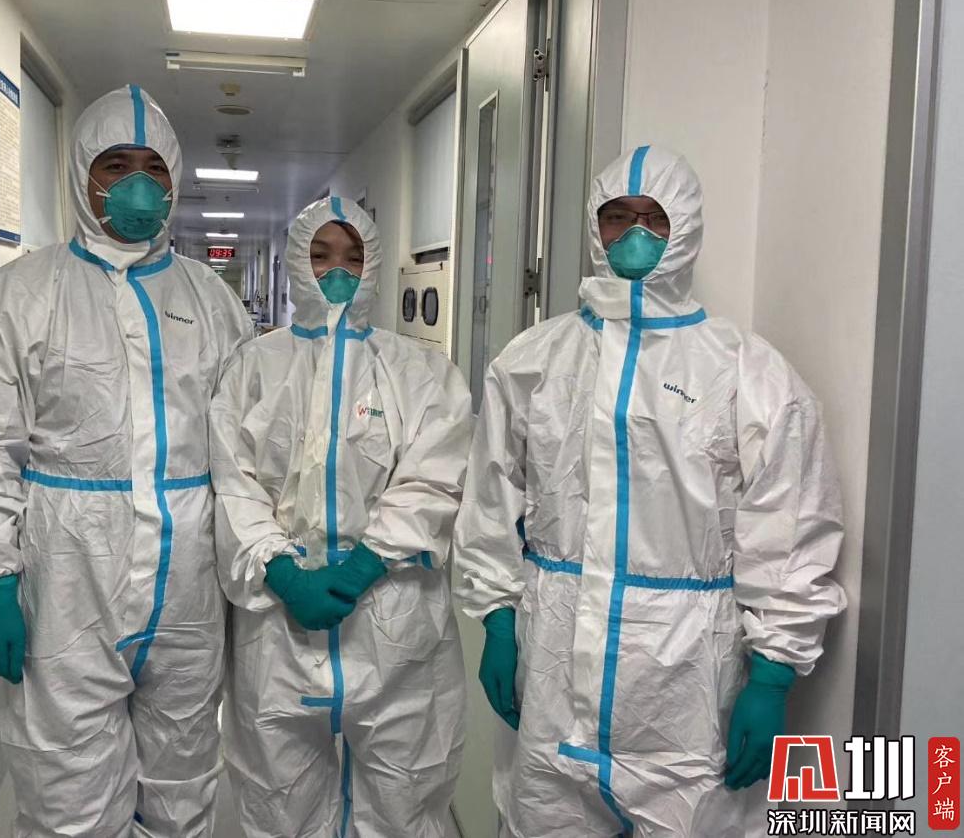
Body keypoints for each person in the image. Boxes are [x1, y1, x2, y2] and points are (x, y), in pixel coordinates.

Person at [454, 145, 846, 837]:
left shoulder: (745, 370)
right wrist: (497, 620)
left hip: (685, 699)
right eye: (618, 217)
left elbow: (790, 526)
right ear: (594, 226)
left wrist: (773, 673)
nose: (634, 234)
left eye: (653, 218)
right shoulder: (533, 361)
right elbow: (490, 499)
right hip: (552, 684)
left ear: (685, 227)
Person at [0, 85, 251, 838]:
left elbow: (248, 444)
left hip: (189, 585)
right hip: (68, 581)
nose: (137, 185)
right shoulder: (25, 292)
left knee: (183, 783)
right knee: (65, 793)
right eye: (116, 165)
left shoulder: (211, 299)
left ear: (174, 180)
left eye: (153, 168)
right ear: (84, 174)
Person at [210, 197, 472, 838]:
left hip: (392, 620)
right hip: (280, 624)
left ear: (373, 266)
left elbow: (434, 478)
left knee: (404, 800)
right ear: (297, 263)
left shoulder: (419, 371)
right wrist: (280, 570)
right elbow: (232, 482)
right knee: (277, 799)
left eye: (353, 258)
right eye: (320, 255)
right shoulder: (253, 367)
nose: (337, 271)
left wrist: (363, 566)